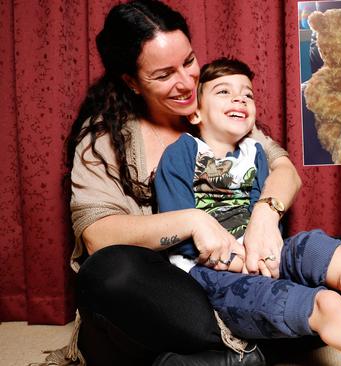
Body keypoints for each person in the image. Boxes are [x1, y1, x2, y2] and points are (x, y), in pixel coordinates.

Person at [154, 57, 341, 365]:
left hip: (257, 249)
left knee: (319, 248)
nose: (240, 98)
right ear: (196, 112)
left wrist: (265, 253)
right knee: (313, 301)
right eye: (224, 92)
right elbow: (178, 223)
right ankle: (340, 321)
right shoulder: (182, 151)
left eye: (247, 94)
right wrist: (234, 260)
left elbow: (263, 217)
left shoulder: (256, 154)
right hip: (207, 267)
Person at [61, 1, 301, 365]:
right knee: (108, 275)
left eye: (189, 62)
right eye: (164, 74)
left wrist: (265, 218)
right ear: (131, 82)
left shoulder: (216, 110)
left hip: (236, 273)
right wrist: (193, 220)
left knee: (324, 257)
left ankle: (223, 354)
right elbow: (97, 235)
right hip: (164, 290)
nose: (188, 82)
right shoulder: (105, 139)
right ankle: (249, 345)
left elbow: (285, 170)